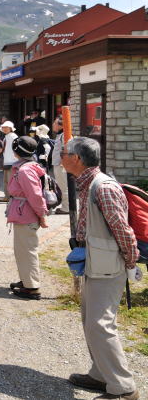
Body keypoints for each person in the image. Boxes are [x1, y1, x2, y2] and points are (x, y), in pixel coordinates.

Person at [63, 137, 141, 400]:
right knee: (90, 321)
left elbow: (123, 229)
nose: (60, 157)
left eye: (64, 153)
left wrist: (131, 263)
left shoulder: (103, 187)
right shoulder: (87, 184)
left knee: (100, 324)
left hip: (108, 266)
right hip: (96, 263)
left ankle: (123, 387)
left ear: (77, 159)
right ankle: (100, 374)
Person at [5, 136, 48, 300]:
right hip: (24, 212)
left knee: (27, 250)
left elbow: (35, 195)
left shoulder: (24, 170)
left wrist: (42, 215)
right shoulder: (29, 166)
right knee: (23, 250)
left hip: (26, 213)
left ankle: (32, 287)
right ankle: (27, 280)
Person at [49, 117, 70, 215]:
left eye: (55, 123)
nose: (53, 125)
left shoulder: (64, 135)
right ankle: (65, 206)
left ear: (60, 125)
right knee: (62, 186)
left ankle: (66, 208)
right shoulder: (60, 135)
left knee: (64, 186)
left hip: (61, 165)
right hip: (58, 164)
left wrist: (62, 163)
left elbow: (66, 149)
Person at [0, 121, 18, 202]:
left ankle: (11, 196)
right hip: (7, 161)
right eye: (3, 127)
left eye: (6, 127)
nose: (4, 129)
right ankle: (7, 196)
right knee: (6, 180)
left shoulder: (13, 136)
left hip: (12, 161)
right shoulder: (6, 137)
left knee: (10, 180)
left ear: (10, 128)